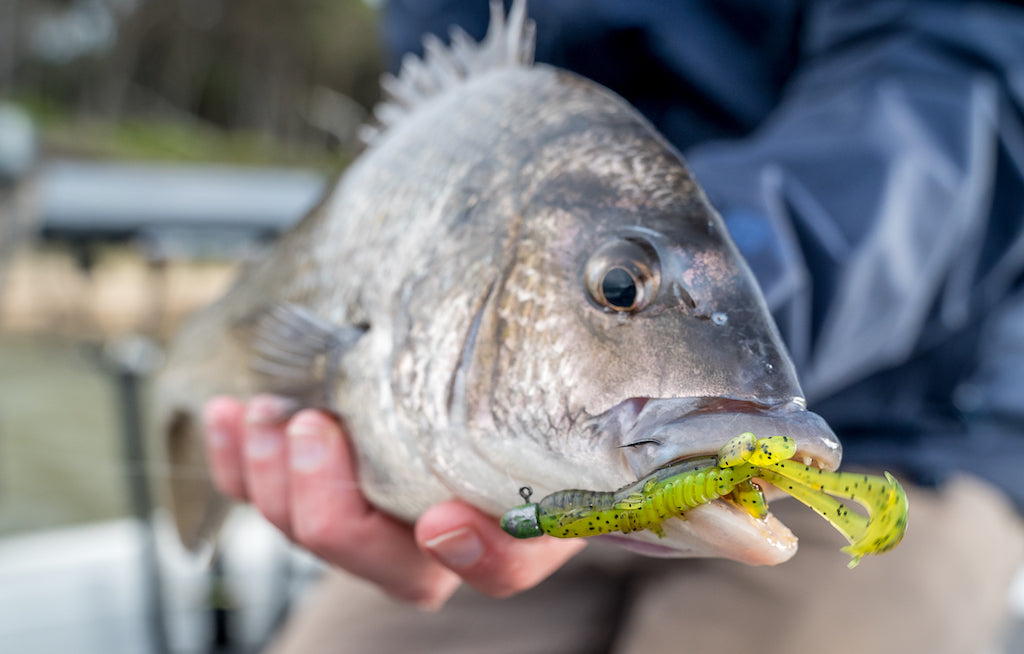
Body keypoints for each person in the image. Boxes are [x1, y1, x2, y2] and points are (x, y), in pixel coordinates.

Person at [201, 1, 1024, 651]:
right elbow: (440, 133)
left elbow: (946, 106)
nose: (624, 289)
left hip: (911, 437)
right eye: (623, 288)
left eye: (619, 287)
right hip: (511, 473)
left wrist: (706, 292)